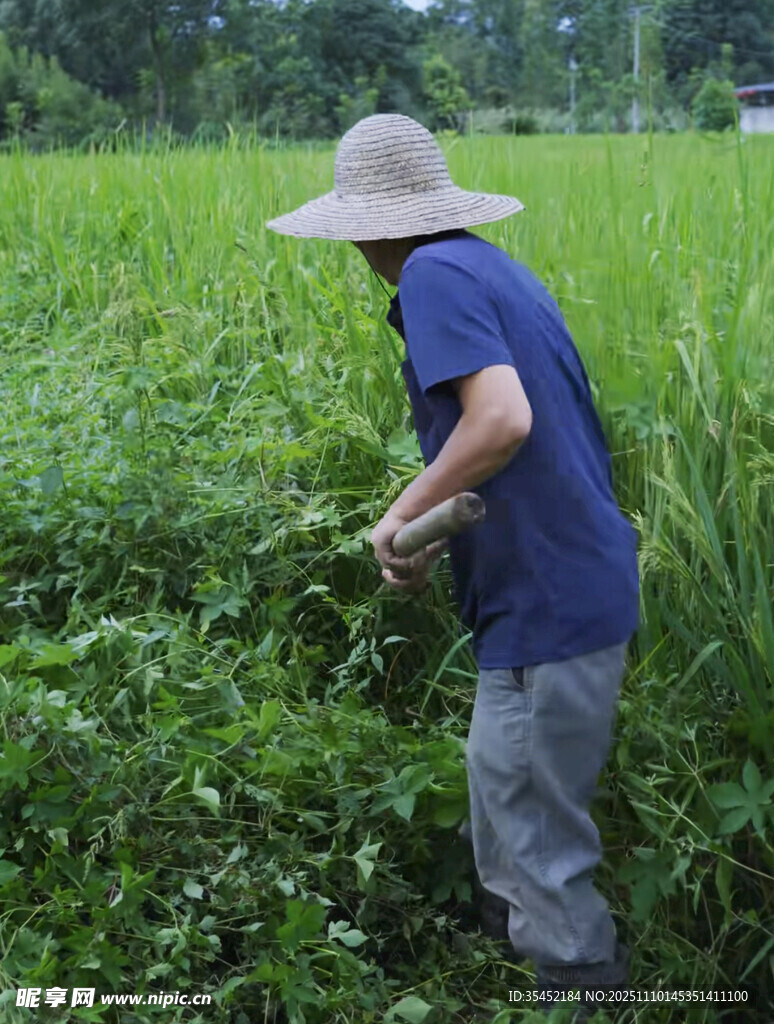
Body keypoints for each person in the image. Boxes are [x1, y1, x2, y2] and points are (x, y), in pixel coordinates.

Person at [267, 114, 639, 1018]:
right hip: (542, 593)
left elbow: (503, 422)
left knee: (540, 846)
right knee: (501, 811)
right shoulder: (488, 267)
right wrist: (430, 527)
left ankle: (583, 995)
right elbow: (508, 446)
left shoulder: (432, 273)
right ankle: (505, 976)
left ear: (370, 223)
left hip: (552, 600)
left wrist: (396, 515)